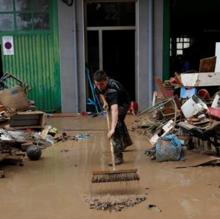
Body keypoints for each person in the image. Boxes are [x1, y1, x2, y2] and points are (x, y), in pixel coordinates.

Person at [93, 70, 133, 165]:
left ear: (106, 80)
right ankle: (126, 142)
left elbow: (114, 110)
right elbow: (99, 92)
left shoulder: (113, 90)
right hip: (114, 101)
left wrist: (112, 129)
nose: (99, 86)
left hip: (123, 103)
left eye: (101, 84)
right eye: (97, 84)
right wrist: (105, 102)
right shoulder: (99, 84)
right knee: (118, 122)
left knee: (116, 125)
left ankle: (118, 156)